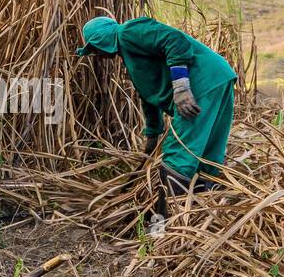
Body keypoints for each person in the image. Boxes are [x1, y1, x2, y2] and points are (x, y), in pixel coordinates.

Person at [76, 15, 236, 196]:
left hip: (201, 81)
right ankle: (204, 205)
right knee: (208, 146)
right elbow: (149, 98)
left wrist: (181, 86)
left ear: (101, 39)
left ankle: (165, 213)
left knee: (180, 151)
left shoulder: (128, 32)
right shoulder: (131, 56)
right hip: (220, 76)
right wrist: (152, 136)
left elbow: (175, 40)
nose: (96, 54)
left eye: (94, 48)